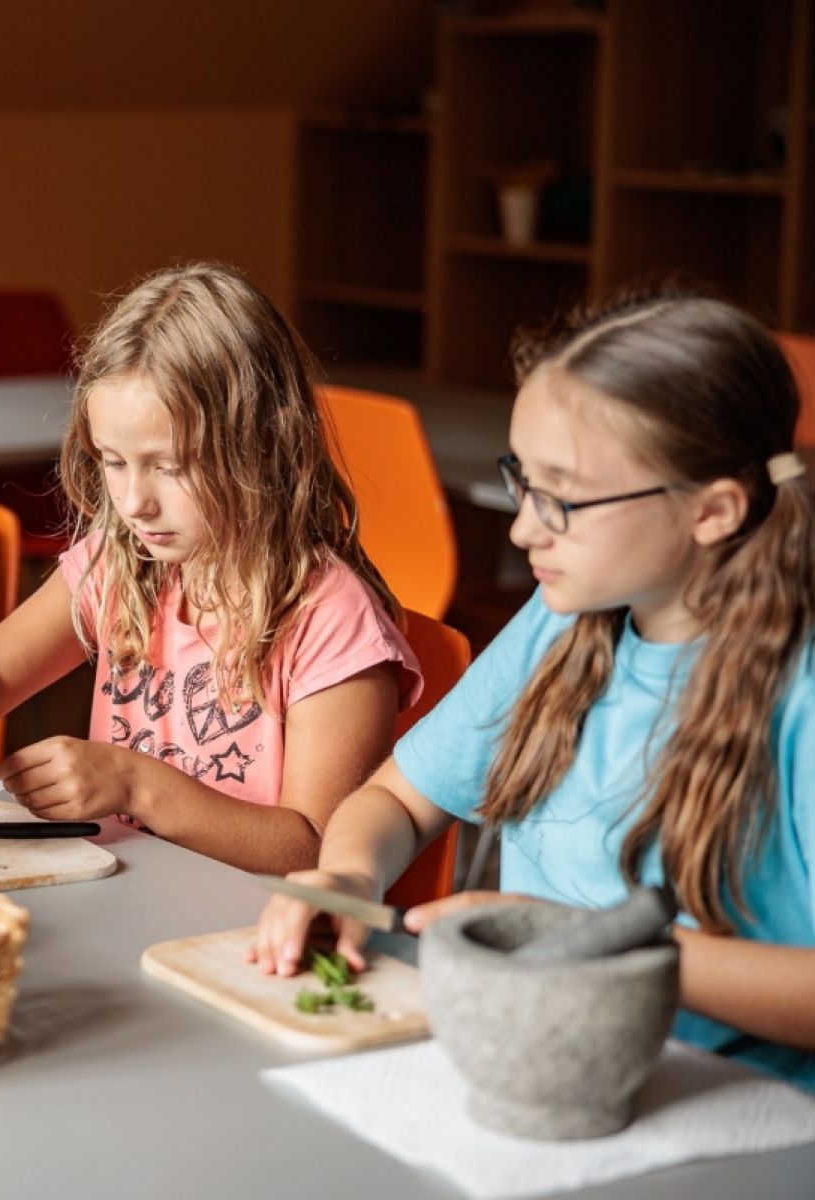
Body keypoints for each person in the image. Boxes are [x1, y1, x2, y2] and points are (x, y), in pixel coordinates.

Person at [250, 292, 815, 1090]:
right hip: (545, 1066)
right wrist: (348, 878)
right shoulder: (567, 625)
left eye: (563, 498)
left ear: (713, 510)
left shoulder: (799, 693)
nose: (522, 531)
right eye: (523, 483)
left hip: (730, 1111)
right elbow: (402, 802)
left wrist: (589, 941)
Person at [0, 263, 420, 871]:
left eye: (169, 466)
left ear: (260, 445)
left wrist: (138, 786)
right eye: (114, 462)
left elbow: (317, 850)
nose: (134, 502)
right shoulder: (122, 565)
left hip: (246, 940)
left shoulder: (331, 619)